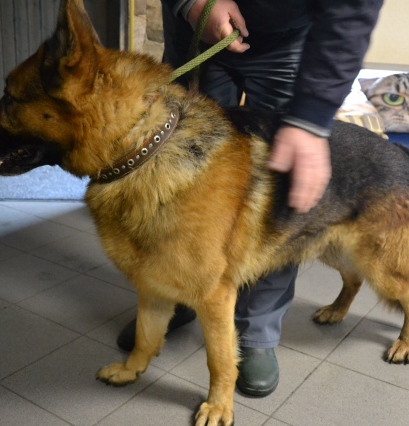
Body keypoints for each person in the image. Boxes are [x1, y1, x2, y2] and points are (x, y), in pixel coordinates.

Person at [117, 0, 384, 397]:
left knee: (277, 194)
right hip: (194, 32)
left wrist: (310, 120)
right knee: (178, 178)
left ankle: (257, 331)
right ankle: (180, 297)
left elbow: (351, 11)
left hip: (289, 40)